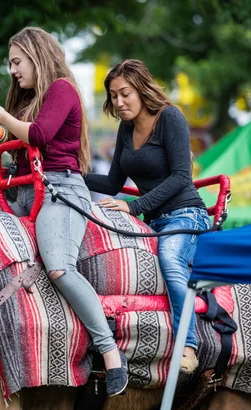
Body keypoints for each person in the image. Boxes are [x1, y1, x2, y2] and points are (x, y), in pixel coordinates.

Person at [0, 26, 128, 396]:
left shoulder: (62, 88)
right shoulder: (26, 99)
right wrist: (0, 130)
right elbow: (23, 144)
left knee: (58, 267)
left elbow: (40, 135)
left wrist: (5, 119)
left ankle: (109, 352)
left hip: (60, 189)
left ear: (37, 55)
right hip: (24, 190)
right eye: (9, 63)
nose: (12, 70)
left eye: (17, 61)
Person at [84, 59, 211, 374]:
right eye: (113, 96)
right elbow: (113, 183)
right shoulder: (125, 129)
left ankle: (189, 347)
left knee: (170, 260)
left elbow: (182, 177)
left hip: (186, 214)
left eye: (124, 93)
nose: (119, 102)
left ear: (141, 89)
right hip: (153, 223)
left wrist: (133, 206)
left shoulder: (170, 118)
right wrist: (69, 174)